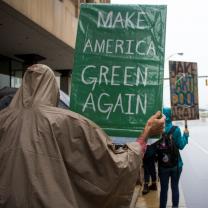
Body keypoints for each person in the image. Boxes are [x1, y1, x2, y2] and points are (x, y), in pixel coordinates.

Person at [0, 64, 165, 208]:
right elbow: (113, 164)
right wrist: (146, 133)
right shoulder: (65, 122)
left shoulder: (3, 120)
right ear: (52, 88)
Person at [158, 107, 189, 208]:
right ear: (171, 116)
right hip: (176, 165)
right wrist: (186, 135)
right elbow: (181, 145)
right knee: (175, 187)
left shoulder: (157, 130)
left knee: (163, 189)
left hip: (163, 165)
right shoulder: (176, 130)